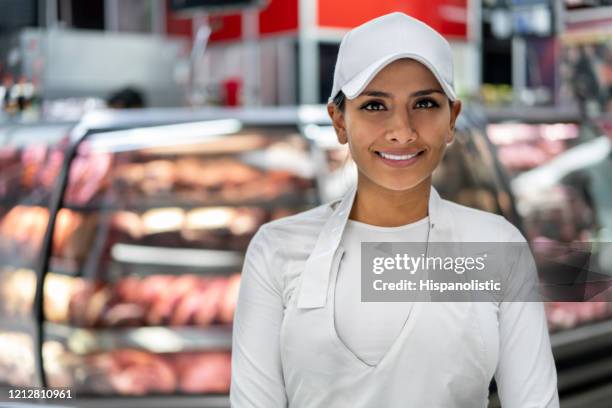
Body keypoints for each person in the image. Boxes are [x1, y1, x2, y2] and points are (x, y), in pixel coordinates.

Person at [230, 12, 559, 408]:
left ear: (452, 118)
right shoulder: (276, 250)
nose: (402, 129)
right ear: (339, 121)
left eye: (424, 103)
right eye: (374, 106)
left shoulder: (497, 247)